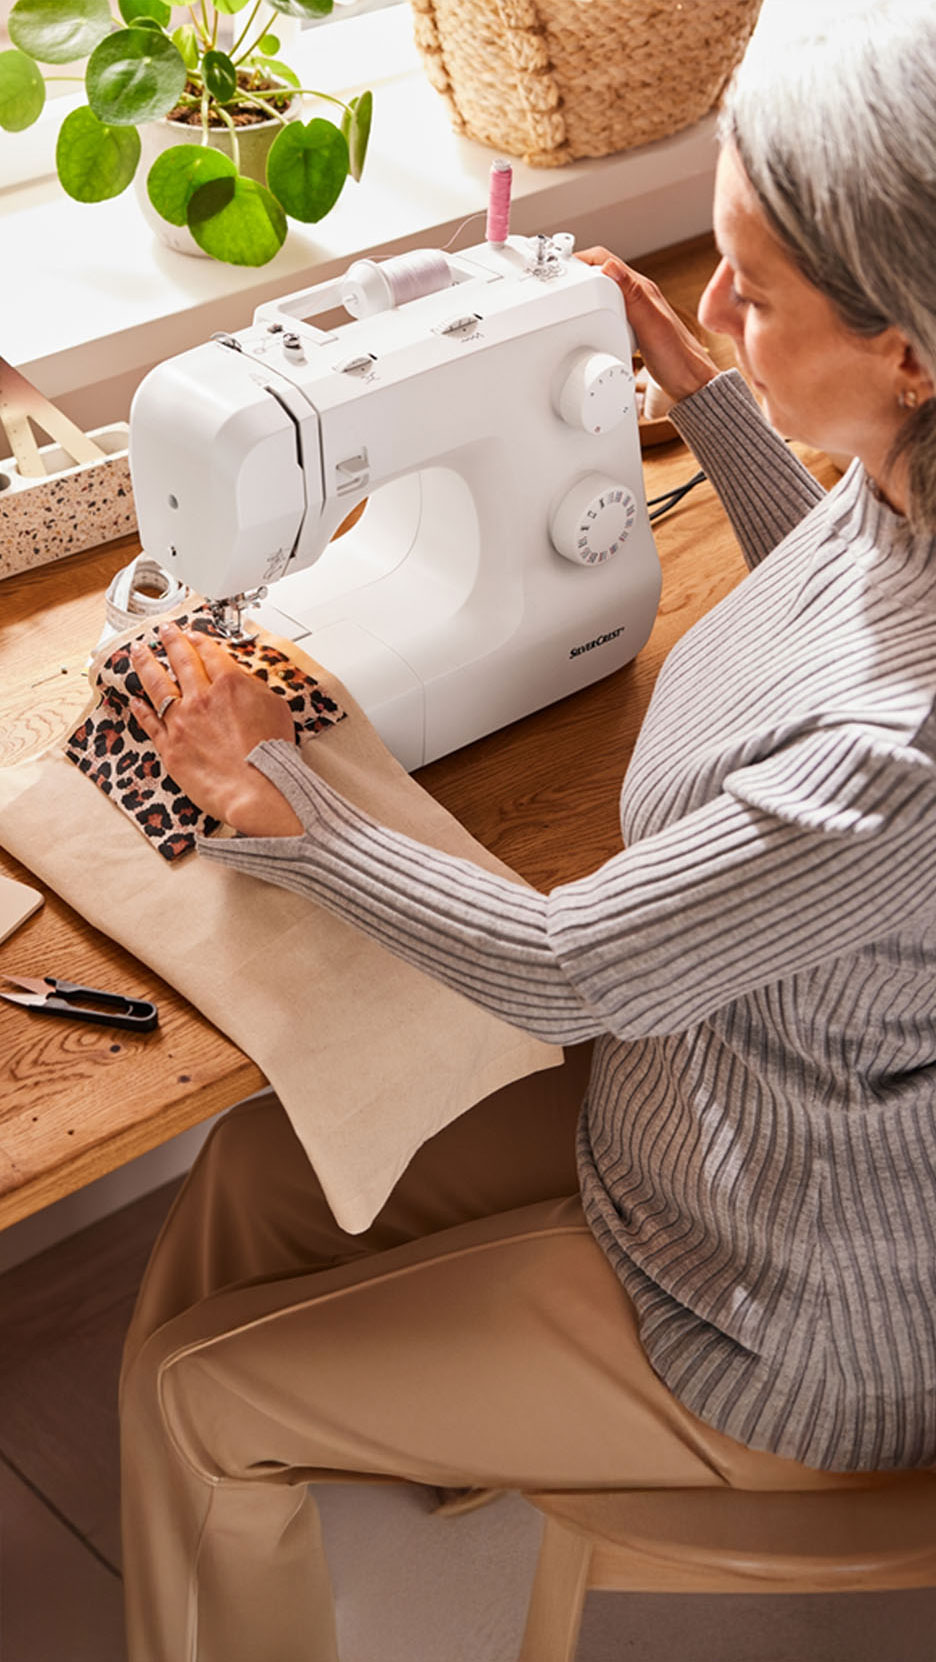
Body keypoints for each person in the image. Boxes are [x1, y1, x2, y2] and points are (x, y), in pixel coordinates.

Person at [119, 2, 936, 1656]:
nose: (717, 305)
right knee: (254, 1172)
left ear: (906, 351)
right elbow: (839, 586)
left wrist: (280, 797)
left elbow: (564, 968)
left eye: (751, 289)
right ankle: (413, 1437)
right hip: (708, 1130)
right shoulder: (905, 484)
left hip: (783, 1316)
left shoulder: (902, 756)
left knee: (188, 1394)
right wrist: (708, 388)